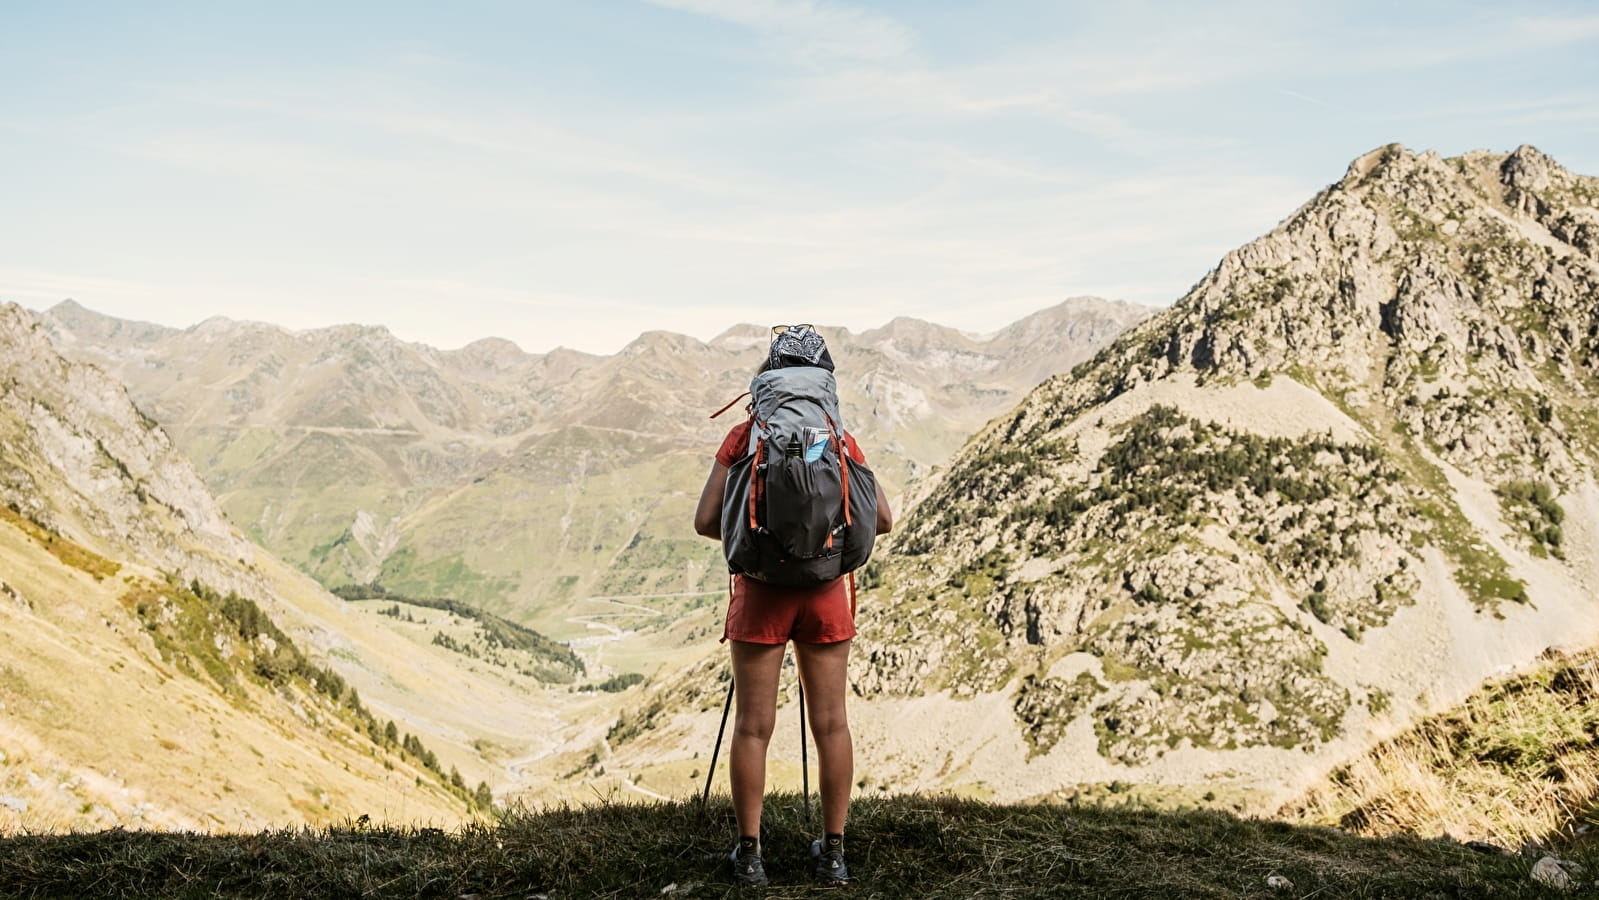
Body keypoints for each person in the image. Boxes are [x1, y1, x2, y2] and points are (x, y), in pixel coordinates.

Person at [694, 325, 893, 887]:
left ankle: (750, 856)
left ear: (767, 377)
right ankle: (833, 855)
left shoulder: (744, 436)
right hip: (827, 595)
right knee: (832, 725)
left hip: (760, 594)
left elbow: (707, 521)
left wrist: (759, 536)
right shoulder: (837, 434)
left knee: (754, 727)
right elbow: (881, 520)